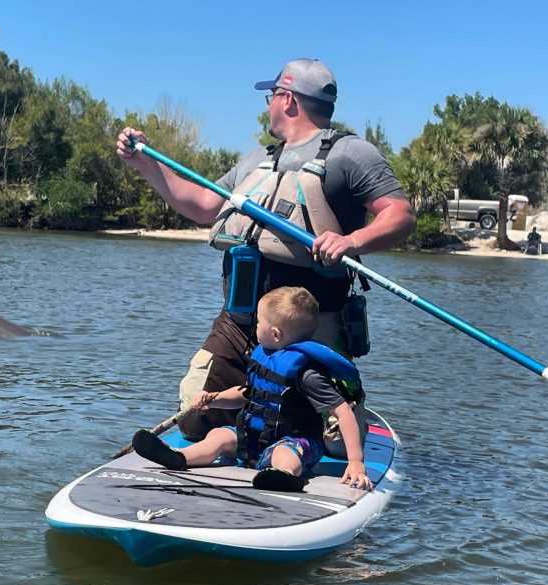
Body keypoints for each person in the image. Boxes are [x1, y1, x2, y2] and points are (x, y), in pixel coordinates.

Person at [117, 58, 416, 441]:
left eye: (271, 96)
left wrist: (350, 241)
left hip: (313, 328)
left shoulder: (351, 154)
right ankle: (237, 433)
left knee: (336, 444)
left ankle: (306, 430)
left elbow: (401, 215)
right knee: (194, 417)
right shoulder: (257, 160)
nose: (268, 104)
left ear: (287, 99)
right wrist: (144, 162)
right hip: (241, 323)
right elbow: (203, 205)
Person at [132, 286, 372, 492]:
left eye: (259, 322)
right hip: (251, 439)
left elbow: (343, 413)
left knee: (283, 454)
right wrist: (214, 399)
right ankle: (180, 458)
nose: (256, 326)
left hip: (293, 441)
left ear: (275, 334)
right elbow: (247, 393)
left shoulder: (307, 374)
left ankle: (284, 475)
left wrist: (356, 462)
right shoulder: (263, 356)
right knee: (219, 436)